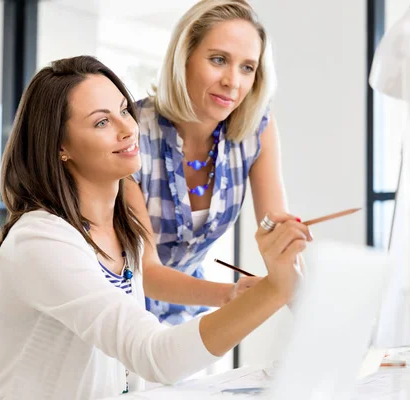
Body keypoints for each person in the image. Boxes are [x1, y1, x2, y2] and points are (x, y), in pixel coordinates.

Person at [0, 55, 310, 400]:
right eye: (101, 123)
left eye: (123, 110)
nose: (127, 129)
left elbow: (130, 368)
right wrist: (276, 289)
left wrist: (241, 294)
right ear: (61, 146)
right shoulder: (41, 240)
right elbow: (156, 356)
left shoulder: (125, 231)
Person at [125, 0, 299, 324]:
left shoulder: (255, 129)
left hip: (188, 319)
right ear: (184, 57)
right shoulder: (131, 130)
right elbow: (146, 272)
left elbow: (276, 235)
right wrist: (229, 295)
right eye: (219, 60)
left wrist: (310, 310)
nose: (233, 82)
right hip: (118, 315)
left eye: (247, 67)